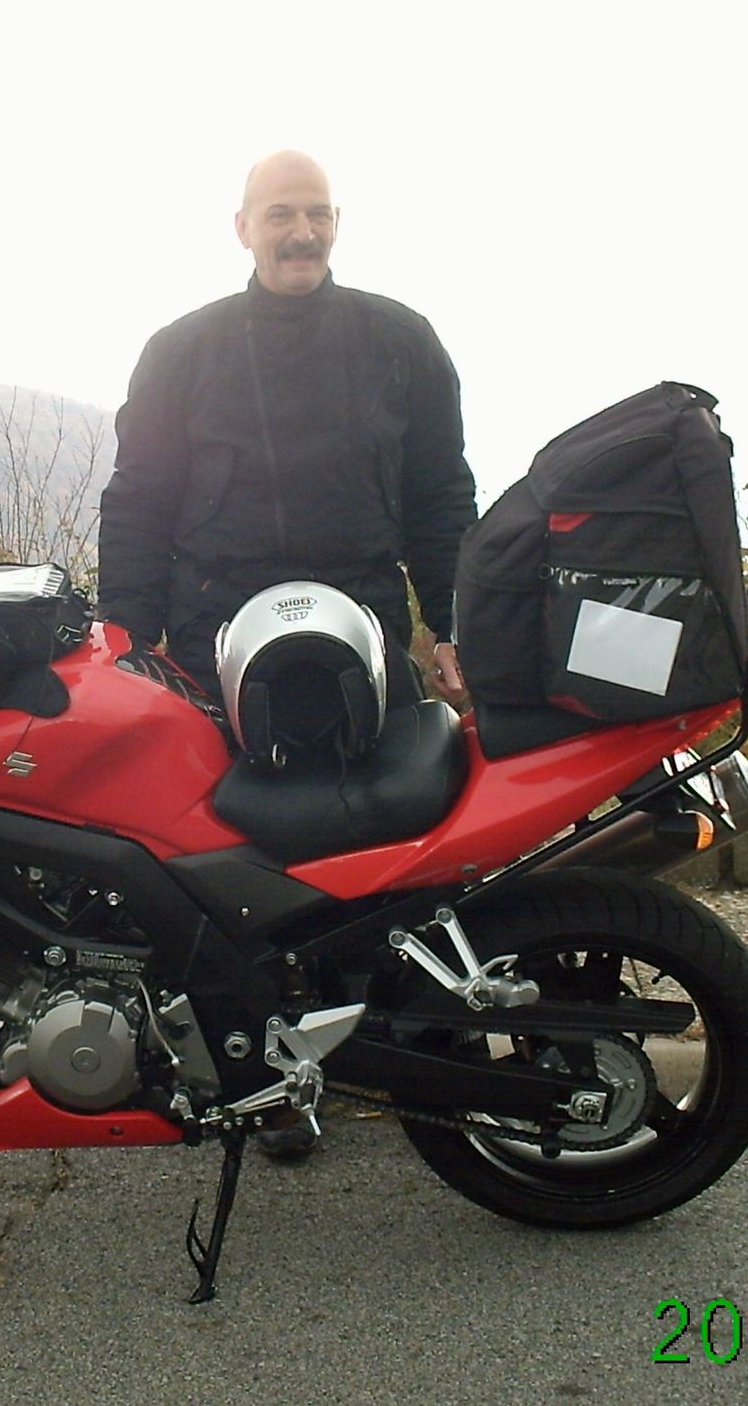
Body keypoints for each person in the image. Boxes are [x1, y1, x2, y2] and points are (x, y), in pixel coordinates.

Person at [96, 150, 476, 1157]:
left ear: (337, 223)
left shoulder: (400, 341)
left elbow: (440, 497)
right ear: (243, 228)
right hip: (209, 642)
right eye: (279, 215)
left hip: (365, 634)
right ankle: (263, 1075)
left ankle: (390, 1054)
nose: (299, 232)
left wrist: (453, 627)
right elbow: (137, 503)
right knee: (230, 870)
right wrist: (124, 642)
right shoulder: (181, 351)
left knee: (378, 864)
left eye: (315, 214)